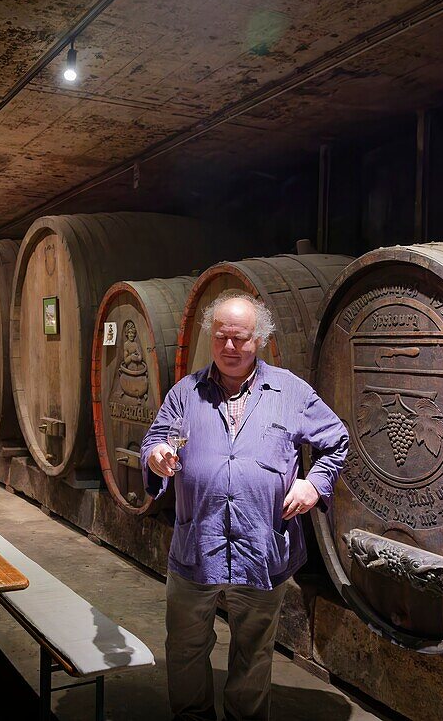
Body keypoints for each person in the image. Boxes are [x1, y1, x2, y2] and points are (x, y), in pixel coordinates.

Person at [140, 292, 349, 721]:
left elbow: (337, 440)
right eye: (221, 338)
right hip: (196, 544)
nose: (230, 348)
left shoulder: (292, 391)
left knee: (253, 654)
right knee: (184, 647)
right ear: (211, 339)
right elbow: (154, 438)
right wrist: (156, 454)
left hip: (260, 548)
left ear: (261, 340)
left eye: (240, 338)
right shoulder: (186, 392)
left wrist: (315, 483)